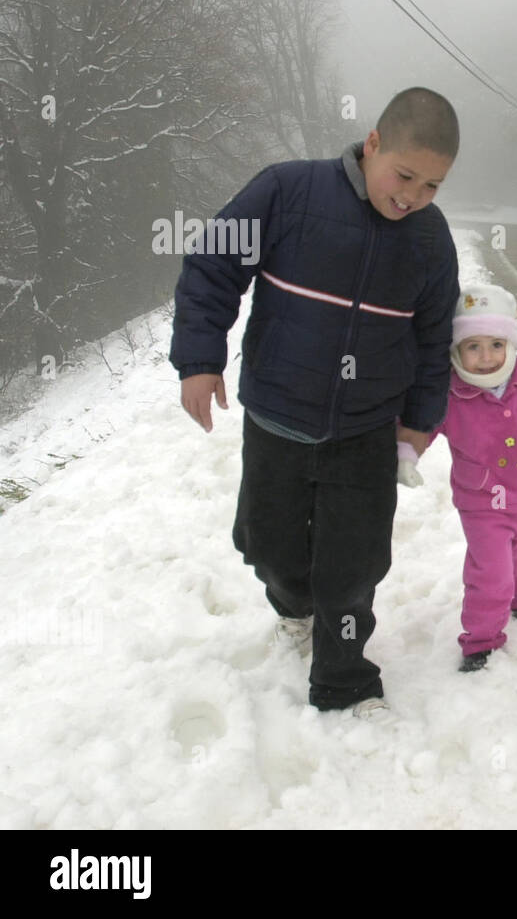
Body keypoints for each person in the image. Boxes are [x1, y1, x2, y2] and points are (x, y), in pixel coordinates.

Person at [169, 87, 462, 717]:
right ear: (373, 144)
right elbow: (213, 262)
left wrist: (419, 422)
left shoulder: (431, 242)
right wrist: (199, 359)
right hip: (277, 415)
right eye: (405, 175)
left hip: (365, 430)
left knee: (353, 568)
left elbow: (434, 338)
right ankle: (294, 605)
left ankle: (344, 677)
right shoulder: (289, 191)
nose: (412, 196)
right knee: (265, 545)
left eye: (433, 186)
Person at [398, 285, 517, 672]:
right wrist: (408, 453)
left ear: (510, 342)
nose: (486, 357)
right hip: (483, 504)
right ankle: (481, 643)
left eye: (496, 344)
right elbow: (422, 426)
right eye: (472, 346)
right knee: (492, 574)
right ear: (456, 350)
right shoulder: (449, 392)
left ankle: (513, 599)